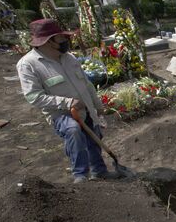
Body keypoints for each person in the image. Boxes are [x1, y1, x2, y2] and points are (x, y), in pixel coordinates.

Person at [16, 19, 118, 183]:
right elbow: (33, 96)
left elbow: (86, 83)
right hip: (62, 114)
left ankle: (99, 171)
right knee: (73, 131)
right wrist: (67, 102)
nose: (66, 41)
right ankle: (80, 176)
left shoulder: (69, 58)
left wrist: (97, 105)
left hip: (86, 108)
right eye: (61, 37)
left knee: (94, 137)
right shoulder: (28, 65)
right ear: (48, 41)